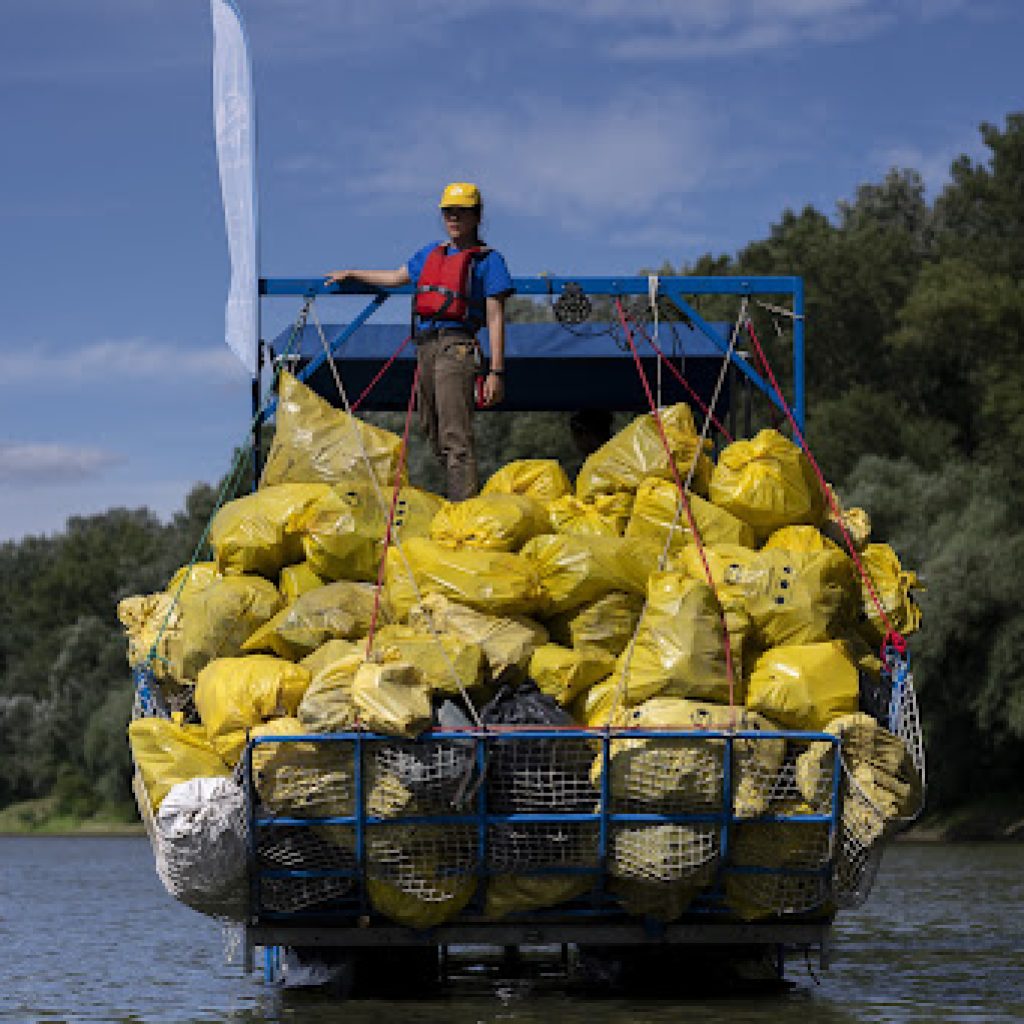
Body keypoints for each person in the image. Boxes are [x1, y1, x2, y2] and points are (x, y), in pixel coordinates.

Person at [325, 182, 514, 500]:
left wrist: (496, 372)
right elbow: (395, 277)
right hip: (425, 347)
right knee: (432, 430)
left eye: (461, 212)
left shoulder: (489, 260)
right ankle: (456, 498)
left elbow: (495, 317)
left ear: (477, 216)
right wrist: (353, 273)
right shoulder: (430, 254)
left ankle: (462, 512)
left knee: (456, 435)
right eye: (448, 212)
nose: (453, 218)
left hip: (457, 347)